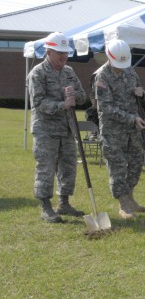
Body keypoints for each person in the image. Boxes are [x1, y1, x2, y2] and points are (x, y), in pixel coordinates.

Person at [27, 31, 86, 223]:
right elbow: (38, 102)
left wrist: (74, 96)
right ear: (48, 51)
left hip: (67, 129)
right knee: (46, 167)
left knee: (68, 166)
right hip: (46, 130)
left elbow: (83, 96)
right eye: (59, 52)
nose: (63, 56)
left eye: (65, 52)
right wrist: (62, 104)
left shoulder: (69, 72)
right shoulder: (37, 73)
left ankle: (64, 203)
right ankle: (45, 207)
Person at [94, 39, 145, 219]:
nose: (121, 67)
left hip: (134, 128)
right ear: (109, 57)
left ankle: (130, 196)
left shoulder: (130, 70)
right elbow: (106, 108)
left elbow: (138, 89)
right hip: (113, 130)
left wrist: (141, 92)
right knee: (117, 167)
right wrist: (131, 119)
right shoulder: (101, 77)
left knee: (136, 163)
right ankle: (123, 203)